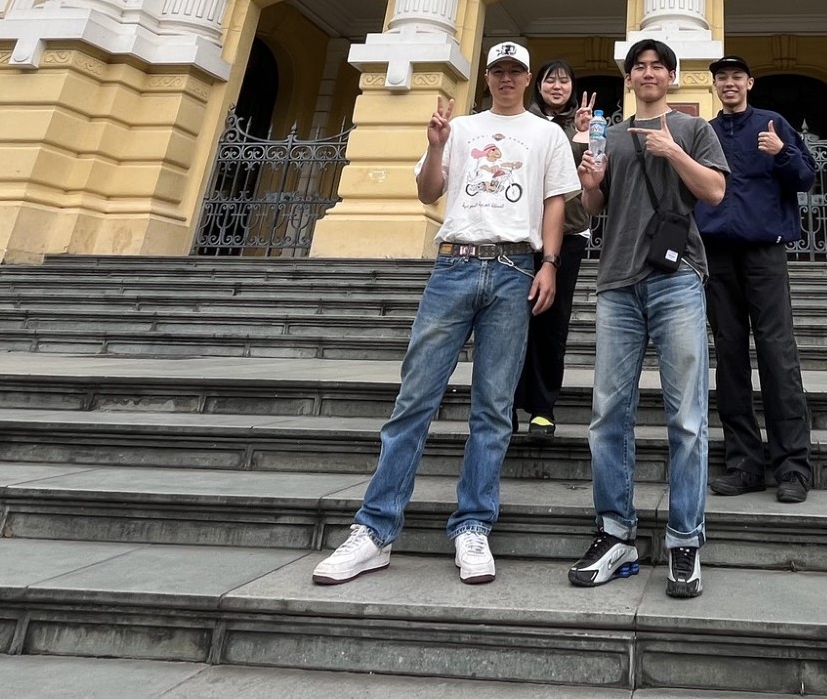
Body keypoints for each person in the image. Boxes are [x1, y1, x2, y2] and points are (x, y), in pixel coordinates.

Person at [311, 40, 574, 588]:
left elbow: (555, 202)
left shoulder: (546, 134)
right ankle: (375, 529)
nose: (506, 78)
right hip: (453, 266)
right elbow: (428, 191)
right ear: (487, 77)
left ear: (527, 78)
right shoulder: (460, 128)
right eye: (498, 70)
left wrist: (549, 263)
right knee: (414, 399)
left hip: (514, 268)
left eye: (515, 71)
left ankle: (473, 524)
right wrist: (435, 147)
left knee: (493, 408)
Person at [566, 37, 728, 600]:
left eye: (659, 66)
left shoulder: (693, 129)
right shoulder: (610, 134)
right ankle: (616, 534)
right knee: (608, 415)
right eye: (640, 66)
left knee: (687, 418)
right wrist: (590, 185)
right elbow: (595, 208)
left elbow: (715, 191)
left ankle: (685, 540)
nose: (649, 73)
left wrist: (673, 152)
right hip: (617, 282)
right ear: (629, 78)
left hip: (677, 279)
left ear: (672, 77)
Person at [701, 55, 818, 503]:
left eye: (736, 77)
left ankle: (793, 467)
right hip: (717, 254)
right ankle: (744, 463)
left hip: (765, 252)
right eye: (722, 78)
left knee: (776, 354)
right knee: (729, 356)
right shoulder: (706, 132)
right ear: (715, 86)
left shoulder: (773, 124)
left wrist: (782, 152)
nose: (729, 83)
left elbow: (806, 178)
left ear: (749, 83)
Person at [515, 59, 594, 438]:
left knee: (552, 322)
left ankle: (542, 407)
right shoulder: (522, 121)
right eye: (551, 80)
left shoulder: (585, 126)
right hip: (522, 233)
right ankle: (506, 404)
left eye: (564, 80)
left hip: (568, 234)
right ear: (538, 85)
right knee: (512, 321)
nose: (557, 86)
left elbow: (584, 178)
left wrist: (582, 134)